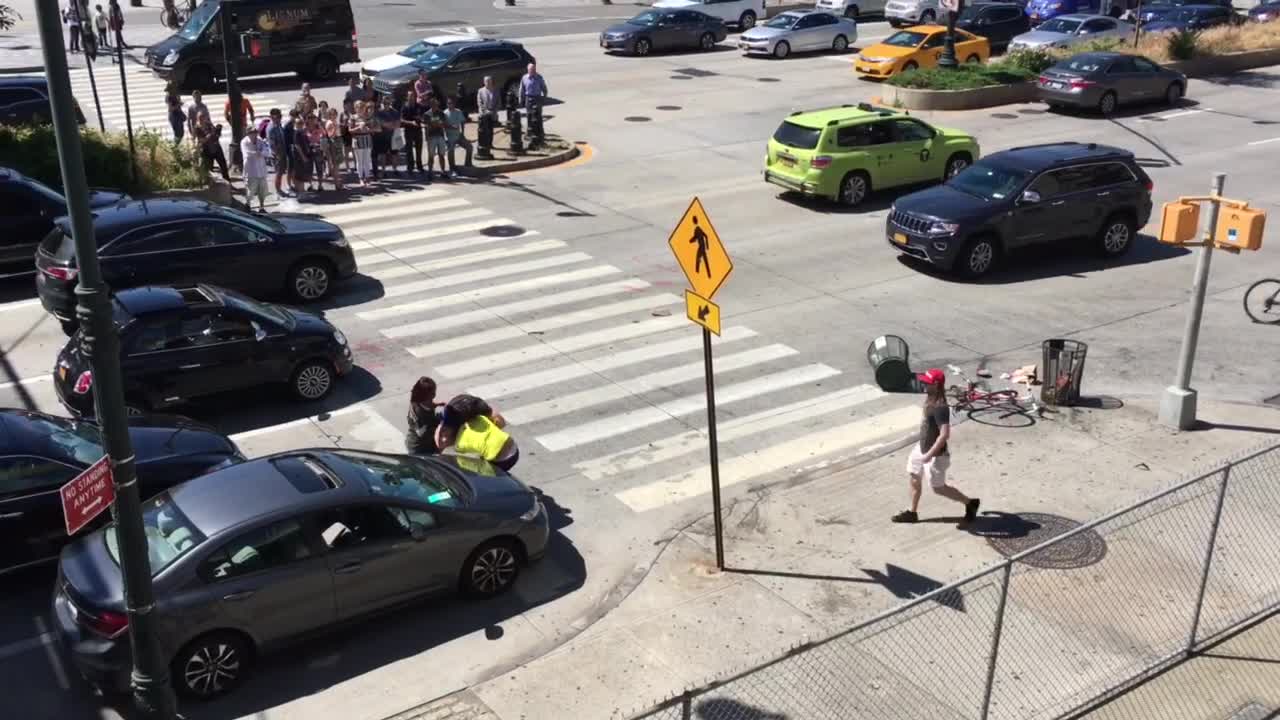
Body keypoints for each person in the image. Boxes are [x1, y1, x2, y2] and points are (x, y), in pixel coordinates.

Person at [892, 368, 981, 526]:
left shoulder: (940, 407)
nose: (923, 384)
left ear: (936, 384)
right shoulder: (930, 397)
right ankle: (912, 513)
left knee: (938, 488)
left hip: (936, 456)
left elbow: (944, 434)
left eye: (927, 383)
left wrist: (929, 455)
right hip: (921, 448)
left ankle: (970, 503)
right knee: (914, 475)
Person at [435, 395, 519, 471]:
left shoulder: (460, 446)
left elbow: (440, 443)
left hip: (503, 461)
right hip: (514, 449)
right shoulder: (478, 419)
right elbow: (500, 421)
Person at [405, 377, 444, 455]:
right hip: (420, 448)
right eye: (433, 392)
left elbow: (428, 405)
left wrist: (437, 404)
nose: (435, 394)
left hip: (424, 439)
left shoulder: (418, 400)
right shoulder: (420, 417)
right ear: (431, 395)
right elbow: (422, 434)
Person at [240, 126, 270, 211]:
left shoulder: (260, 140)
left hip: (261, 170)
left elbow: (266, 152)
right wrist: (258, 153)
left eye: (255, 132)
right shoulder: (244, 142)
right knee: (250, 190)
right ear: (248, 133)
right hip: (251, 171)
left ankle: (262, 206)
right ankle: (248, 205)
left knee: (263, 190)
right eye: (252, 133)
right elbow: (247, 154)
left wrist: (259, 153)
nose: (254, 134)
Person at [195, 113, 230, 182]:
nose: (202, 120)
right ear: (198, 119)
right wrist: (209, 136)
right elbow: (201, 140)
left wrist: (218, 130)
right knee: (209, 168)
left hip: (216, 147)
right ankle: (210, 183)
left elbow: (216, 135)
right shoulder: (197, 128)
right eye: (200, 118)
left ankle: (228, 182)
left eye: (203, 118)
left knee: (223, 165)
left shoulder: (209, 124)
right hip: (207, 150)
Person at [443, 95, 473, 174]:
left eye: (451, 103)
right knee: (450, 151)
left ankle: (468, 164)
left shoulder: (458, 111)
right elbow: (443, 126)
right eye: (448, 103)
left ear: (454, 104)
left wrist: (462, 133)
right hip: (449, 136)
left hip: (458, 135)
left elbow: (462, 122)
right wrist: (445, 137)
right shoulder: (444, 113)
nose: (450, 105)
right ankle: (452, 168)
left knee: (469, 147)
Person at [374, 95, 401, 177]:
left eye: (388, 103)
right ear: (382, 103)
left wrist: (387, 125)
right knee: (383, 154)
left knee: (395, 154)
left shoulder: (395, 112)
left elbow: (398, 124)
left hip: (394, 136)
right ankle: (383, 170)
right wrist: (390, 124)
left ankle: (395, 170)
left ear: (390, 103)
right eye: (385, 103)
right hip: (382, 137)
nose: (386, 104)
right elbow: (380, 123)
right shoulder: (379, 113)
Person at [349, 101, 374, 186]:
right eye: (358, 107)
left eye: (362, 107)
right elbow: (350, 130)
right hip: (357, 140)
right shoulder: (353, 117)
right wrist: (358, 128)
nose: (360, 109)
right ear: (355, 108)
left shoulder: (367, 117)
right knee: (360, 161)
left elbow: (373, 128)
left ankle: (367, 177)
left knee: (367, 160)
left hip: (367, 139)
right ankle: (361, 178)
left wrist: (368, 129)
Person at [400, 91, 424, 175]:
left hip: (418, 130)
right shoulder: (405, 107)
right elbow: (401, 120)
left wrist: (421, 118)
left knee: (419, 149)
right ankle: (410, 167)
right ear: (407, 97)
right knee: (409, 150)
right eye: (410, 96)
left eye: (413, 96)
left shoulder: (419, 106)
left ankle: (419, 166)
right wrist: (411, 122)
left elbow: (423, 116)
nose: (411, 97)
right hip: (409, 130)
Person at [424, 97, 448, 181]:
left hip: (440, 135)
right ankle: (430, 172)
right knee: (431, 156)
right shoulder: (427, 114)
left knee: (441, 154)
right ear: (430, 105)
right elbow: (427, 126)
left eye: (436, 104)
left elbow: (443, 124)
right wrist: (426, 138)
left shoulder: (441, 113)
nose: (435, 106)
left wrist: (434, 124)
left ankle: (443, 171)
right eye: (433, 104)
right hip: (431, 136)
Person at [476, 75, 499, 159]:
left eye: (489, 81)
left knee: (491, 129)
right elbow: (479, 103)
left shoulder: (496, 90)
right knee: (484, 130)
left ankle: (490, 144)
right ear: (484, 82)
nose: (488, 83)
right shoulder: (480, 91)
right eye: (486, 81)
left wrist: (494, 111)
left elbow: (498, 102)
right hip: (484, 114)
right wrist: (485, 111)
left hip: (492, 113)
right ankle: (484, 144)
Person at [290, 114, 313, 196]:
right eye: (298, 123)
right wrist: (303, 156)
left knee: (302, 174)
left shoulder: (301, 132)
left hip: (303, 156)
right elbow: (297, 146)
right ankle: (301, 191)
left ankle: (302, 190)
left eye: (301, 123)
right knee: (299, 174)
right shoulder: (296, 133)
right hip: (299, 157)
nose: (300, 125)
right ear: (295, 124)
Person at [267, 108, 288, 196]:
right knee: (278, 172)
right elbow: (272, 144)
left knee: (282, 171)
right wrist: (277, 154)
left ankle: (280, 188)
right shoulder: (271, 128)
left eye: (280, 116)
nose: (279, 118)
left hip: (282, 151)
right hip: (277, 153)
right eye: (277, 117)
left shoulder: (278, 125)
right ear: (272, 117)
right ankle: (278, 190)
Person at [324, 108, 345, 190]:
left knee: (337, 164)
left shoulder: (334, 122)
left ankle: (338, 182)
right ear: (329, 115)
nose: (333, 115)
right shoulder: (330, 123)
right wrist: (335, 128)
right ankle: (337, 184)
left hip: (338, 141)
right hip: (334, 143)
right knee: (335, 164)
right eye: (331, 114)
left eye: (334, 114)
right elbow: (330, 135)